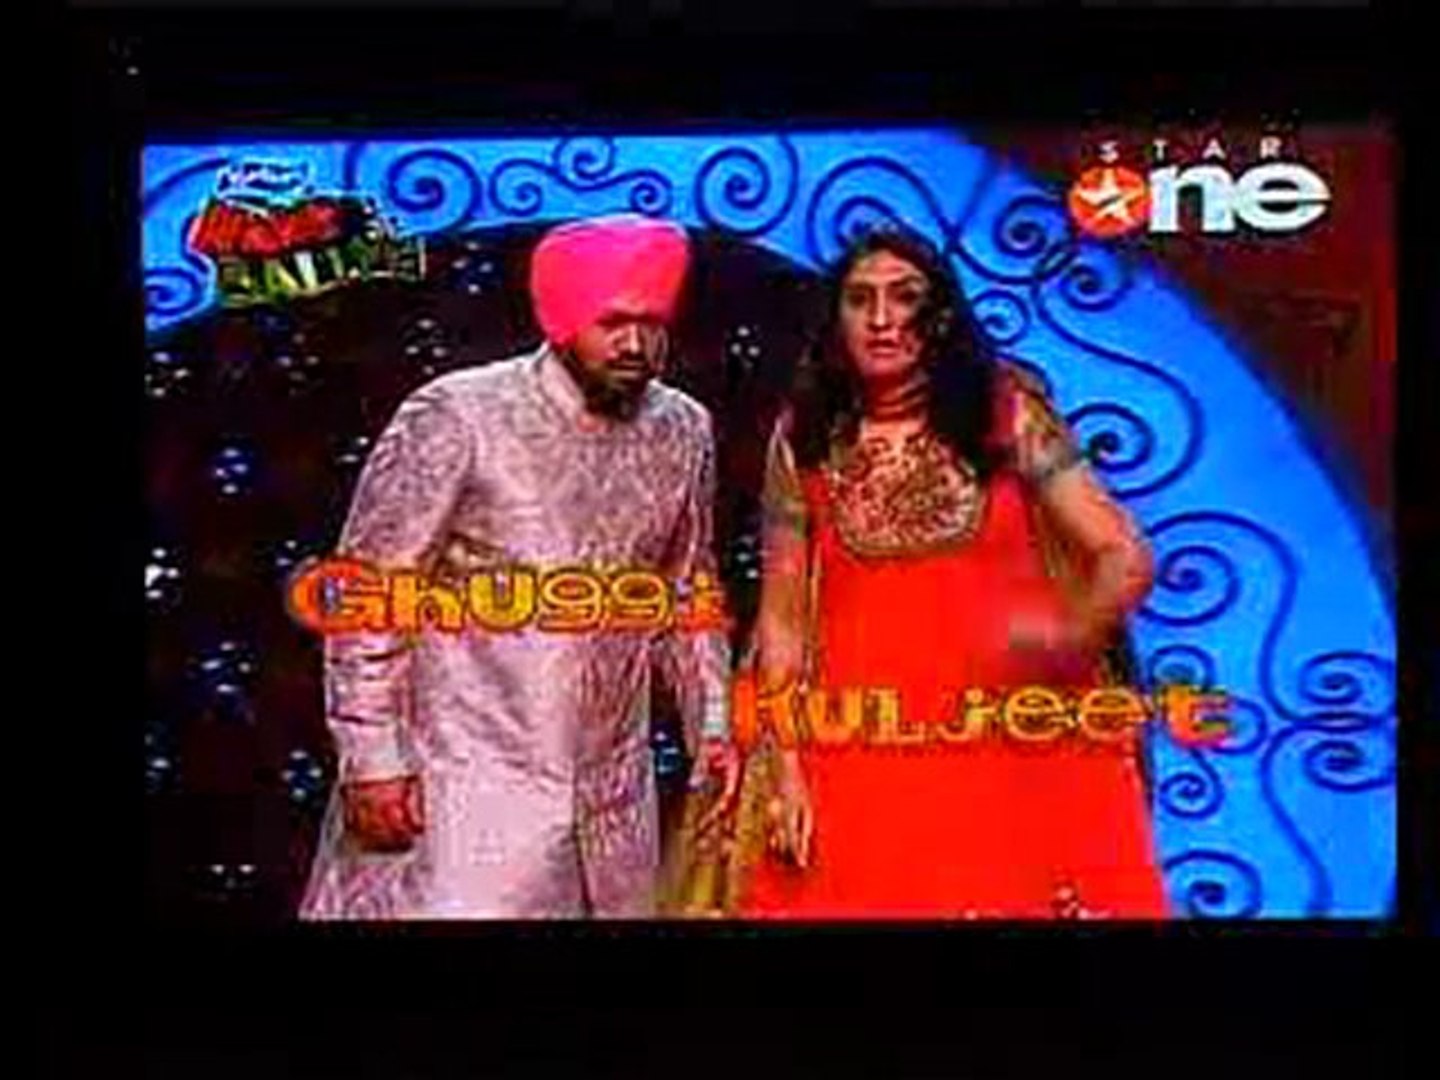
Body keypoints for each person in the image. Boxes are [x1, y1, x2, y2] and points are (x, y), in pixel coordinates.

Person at [677, 224, 1169, 919]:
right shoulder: (806, 439)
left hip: (1015, 740)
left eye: (904, 297)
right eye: (860, 300)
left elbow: (1123, 556)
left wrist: (1062, 642)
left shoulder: (1006, 417)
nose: (881, 319)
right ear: (836, 319)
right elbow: (782, 623)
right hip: (861, 749)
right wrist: (785, 768)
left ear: (938, 316)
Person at [299, 214, 740, 919]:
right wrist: (373, 756)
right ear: (562, 319)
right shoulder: (459, 414)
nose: (635, 345)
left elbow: (686, 593)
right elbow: (368, 595)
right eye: (613, 323)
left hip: (614, 804)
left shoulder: (683, 427)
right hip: (460, 793)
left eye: (652, 324)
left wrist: (712, 724)